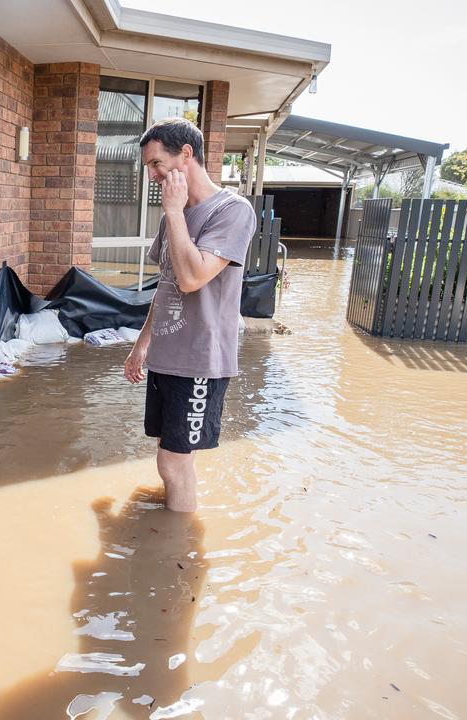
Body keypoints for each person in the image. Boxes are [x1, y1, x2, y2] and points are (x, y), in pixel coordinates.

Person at [123, 118, 257, 512]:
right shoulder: (173, 215)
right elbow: (166, 285)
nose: (152, 175)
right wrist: (141, 343)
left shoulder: (232, 210)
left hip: (200, 359)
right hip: (167, 356)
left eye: (156, 164)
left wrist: (175, 214)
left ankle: (174, 553)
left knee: (173, 462)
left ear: (186, 155)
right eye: (148, 167)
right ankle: (174, 521)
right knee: (170, 453)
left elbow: (192, 278)